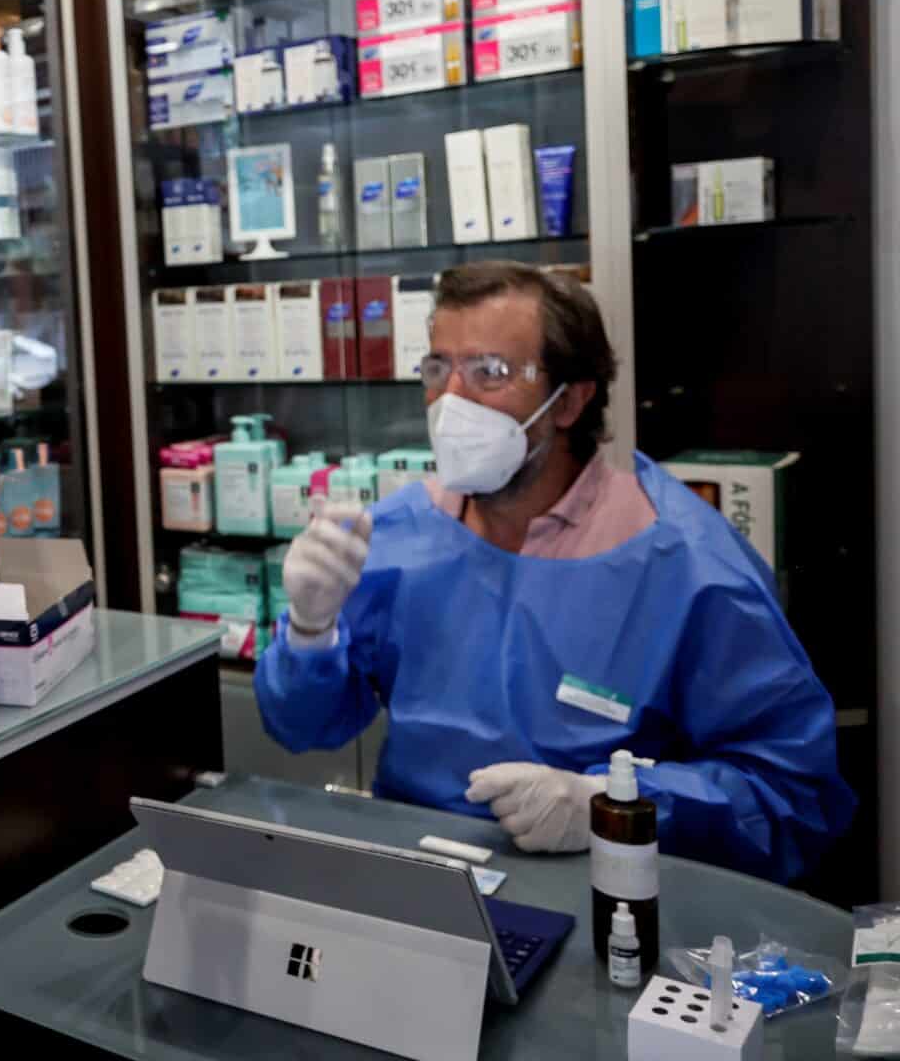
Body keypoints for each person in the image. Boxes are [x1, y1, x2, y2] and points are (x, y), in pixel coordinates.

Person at [256, 262, 853, 884]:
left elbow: (790, 794)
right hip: (422, 881)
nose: (451, 402)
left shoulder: (687, 565)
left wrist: (614, 806)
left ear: (569, 399)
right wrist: (309, 629)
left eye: (490, 372)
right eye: (439, 368)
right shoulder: (397, 534)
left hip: (609, 893)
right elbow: (303, 728)